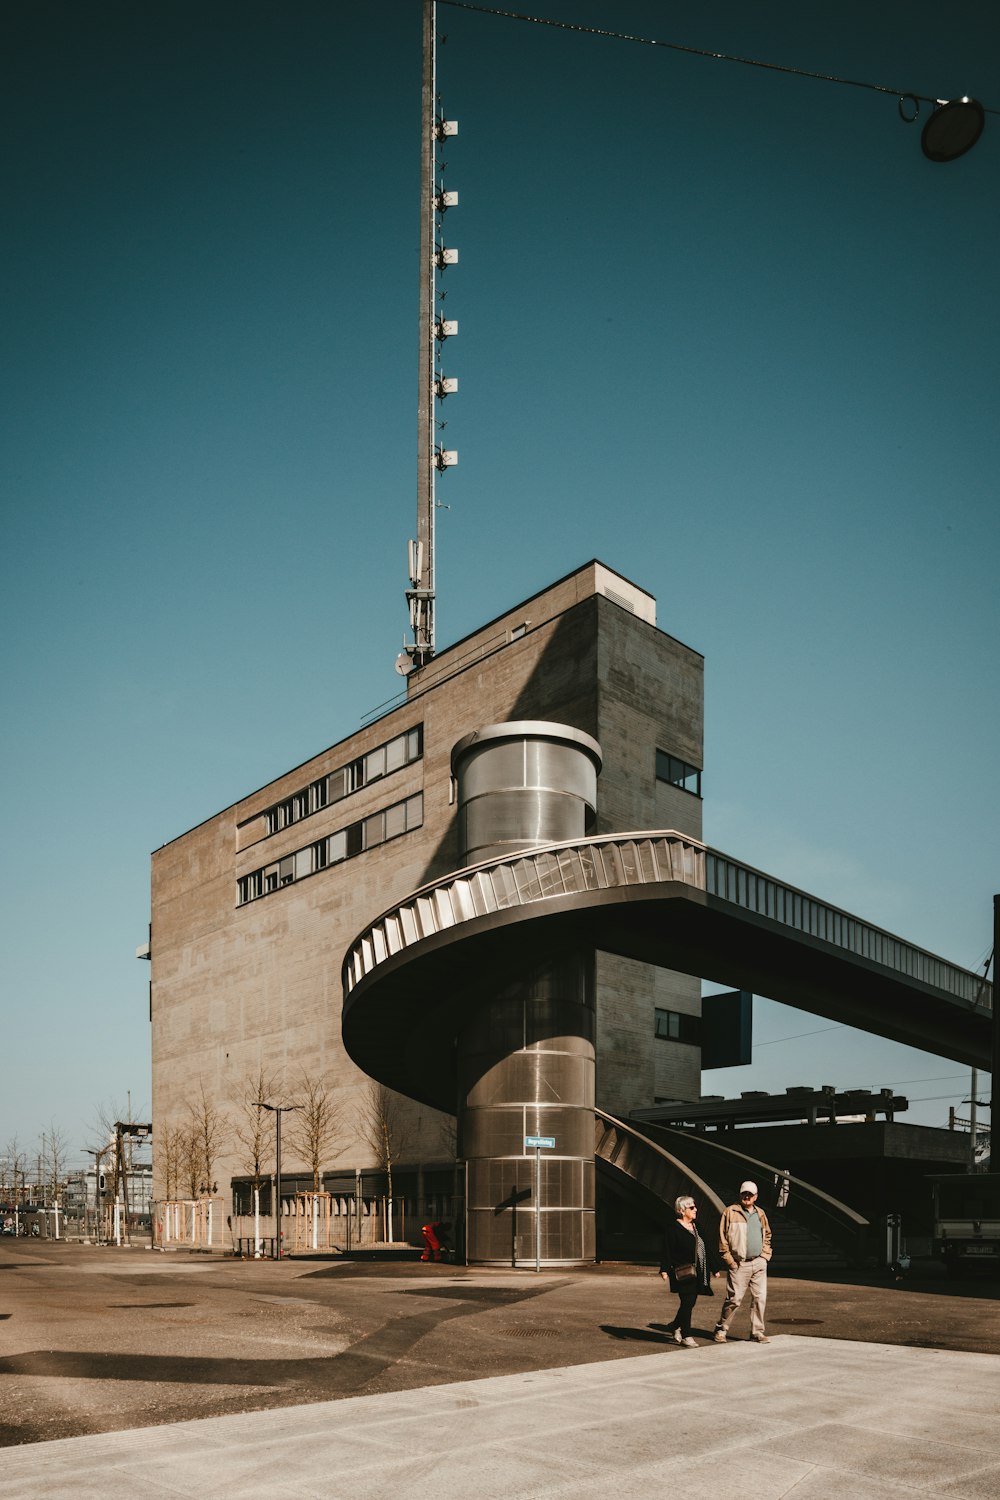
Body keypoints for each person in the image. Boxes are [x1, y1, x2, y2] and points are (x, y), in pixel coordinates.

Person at [713, 1180, 772, 1344]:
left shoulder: (760, 1213)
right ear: (740, 1194)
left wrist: (765, 1256)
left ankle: (757, 1332)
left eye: (750, 1194)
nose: (747, 1197)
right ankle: (721, 1328)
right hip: (739, 1264)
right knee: (734, 1299)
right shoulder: (730, 1212)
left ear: (756, 1197)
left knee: (760, 1298)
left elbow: (767, 1234)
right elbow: (722, 1238)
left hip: (759, 1263)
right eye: (744, 1193)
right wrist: (729, 1261)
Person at [659, 1195, 722, 1347]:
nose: (695, 1210)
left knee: (690, 1302)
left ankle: (674, 1326)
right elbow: (667, 1250)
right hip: (683, 1271)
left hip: (699, 1271)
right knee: (687, 1302)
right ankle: (686, 1335)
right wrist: (664, 1269)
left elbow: (706, 1247)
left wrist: (715, 1268)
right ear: (682, 1210)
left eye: (695, 1207)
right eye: (692, 1207)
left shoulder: (697, 1226)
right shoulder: (673, 1228)